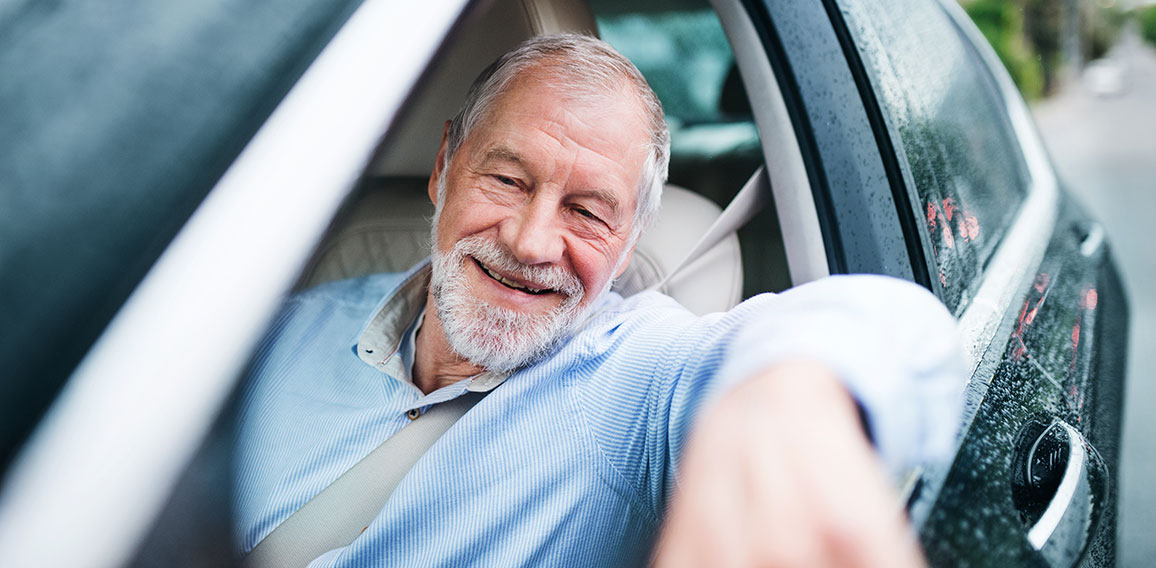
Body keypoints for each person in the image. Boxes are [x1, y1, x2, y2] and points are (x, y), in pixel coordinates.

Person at [234, 33, 965, 566]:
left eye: (587, 211)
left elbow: (894, 323)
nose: (529, 242)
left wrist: (786, 396)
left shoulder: (635, 377)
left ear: (629, 239)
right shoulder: (280, 328)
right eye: (509, 181)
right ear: (444, 169)